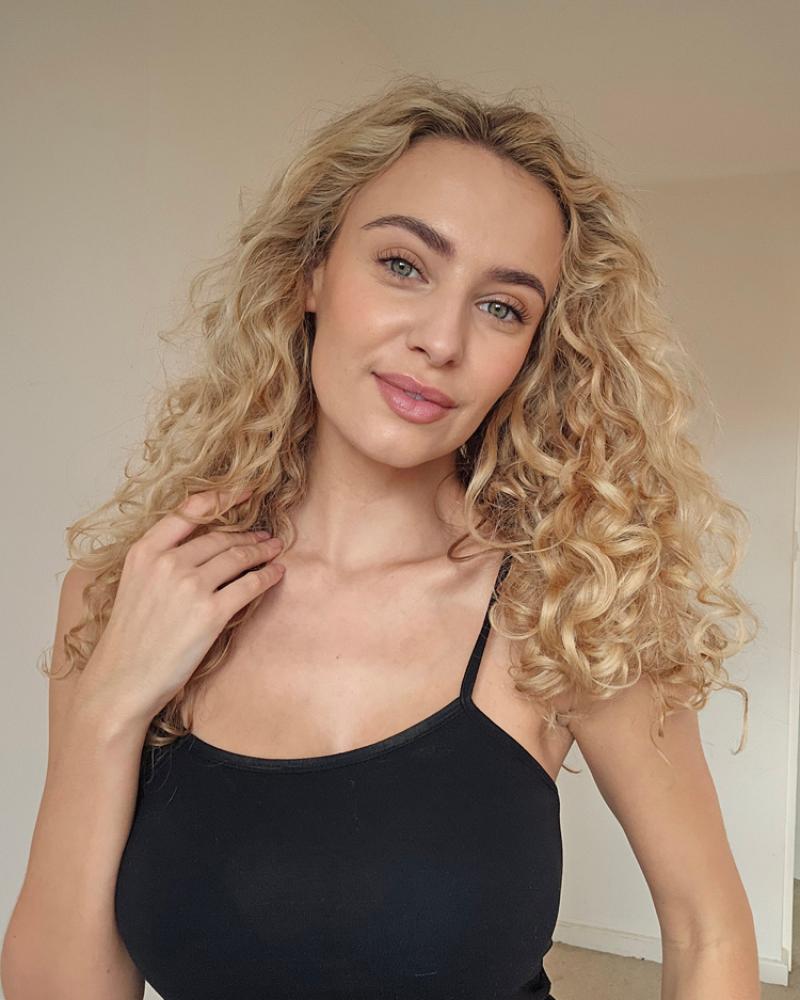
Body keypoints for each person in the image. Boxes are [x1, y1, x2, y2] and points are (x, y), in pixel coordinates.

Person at [1, 75, 761, 1000]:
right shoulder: (122, 598)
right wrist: (110, 709)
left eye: (502, 307)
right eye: (404, 264)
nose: (442, 339)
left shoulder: (569, 605)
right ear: (310, 272)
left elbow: (708, 931)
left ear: (534, 356)